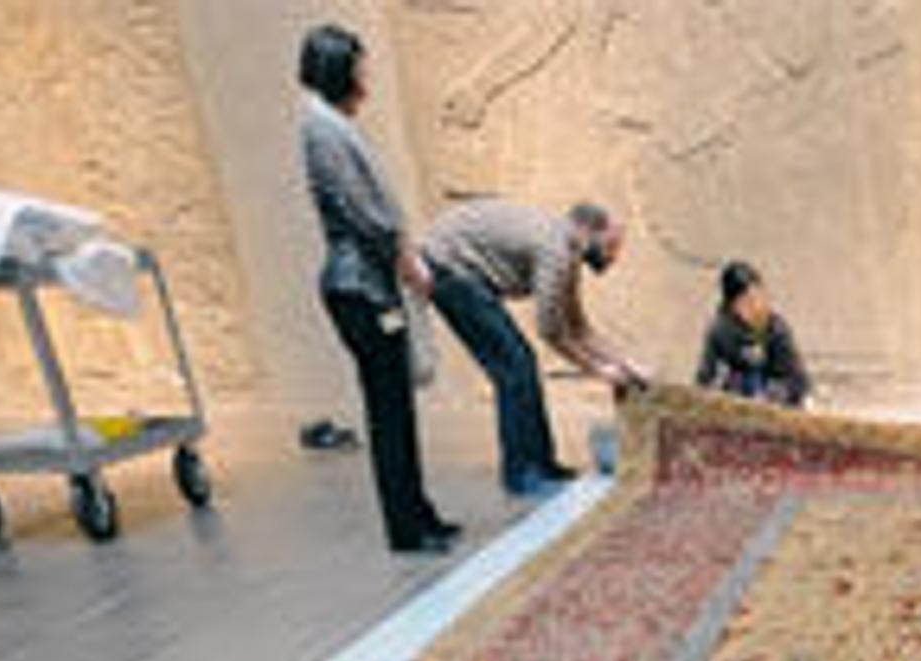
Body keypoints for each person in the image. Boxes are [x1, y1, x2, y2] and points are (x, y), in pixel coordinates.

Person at [293, 24, 455, 552]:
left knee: (397, 411)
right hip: (358, 288)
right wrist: (405, 257)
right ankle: (406, 529)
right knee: (388, 415)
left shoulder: (332, 124)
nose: (366, 79)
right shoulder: (322, 128)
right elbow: (364, 211)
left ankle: (419, 512)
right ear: (339, 70)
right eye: (359, 68)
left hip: (369, 286)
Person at [415, 198, 650, 496]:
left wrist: (626, 363)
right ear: (586, 231)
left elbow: (578, 326)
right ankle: (522, 474)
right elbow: (552, 332)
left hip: (463, 267)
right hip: (449, 267)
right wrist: (600, 371)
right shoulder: (556, 251)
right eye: (611, 245)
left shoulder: (566, 248)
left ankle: (542, 464)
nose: (613, 256)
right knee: (514, 367)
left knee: (521, 361)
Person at [696, 260, 812, 405]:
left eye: (760, 298)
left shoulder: (776, 330)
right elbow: (705, 382)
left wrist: (774, 394)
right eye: (748, 302)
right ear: (733, 307)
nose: (757, 307)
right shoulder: (721, 332)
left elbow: (797, 381)